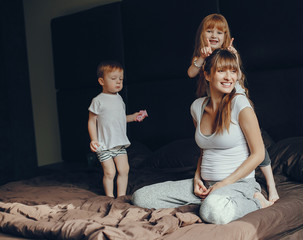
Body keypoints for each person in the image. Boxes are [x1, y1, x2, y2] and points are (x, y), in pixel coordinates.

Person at [132, 49, 273, 224]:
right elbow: (203, 151)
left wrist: (223, 184)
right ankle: (211, 199)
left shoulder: (240, 104)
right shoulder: (196, 107)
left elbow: (258, 154)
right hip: (205, 185)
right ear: (207, 75)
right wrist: (197, 178)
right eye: (222, 71)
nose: (229, 77)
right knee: (140, 197)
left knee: (212, 211)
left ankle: (256, 201)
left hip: (239, 184)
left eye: (233, 71)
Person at [188, 13, 279, 202]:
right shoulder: (203, 55)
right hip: (214, 97)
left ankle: (271, 185)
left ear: (226, 36)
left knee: (254, 142)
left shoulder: (229, 53)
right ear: (202, 34)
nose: (214, 35)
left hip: (232, 94)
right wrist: (201, 58)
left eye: (219, 32)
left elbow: (234, 75)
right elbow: (191, 73)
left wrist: (233, 57)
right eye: (209, 31)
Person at [88, 61, 146, 198]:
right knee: (110, 172)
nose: (118, 82)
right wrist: (94, 140)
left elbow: (120, 118)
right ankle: (109, 197)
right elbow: (91, 122)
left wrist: (133, 117)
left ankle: (120, 196)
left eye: (120, 78)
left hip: (119, 143)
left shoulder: (119, 99)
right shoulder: (98, 101)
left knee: (124, 169)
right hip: (104, 145)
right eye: (113, 79)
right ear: (102, 81)